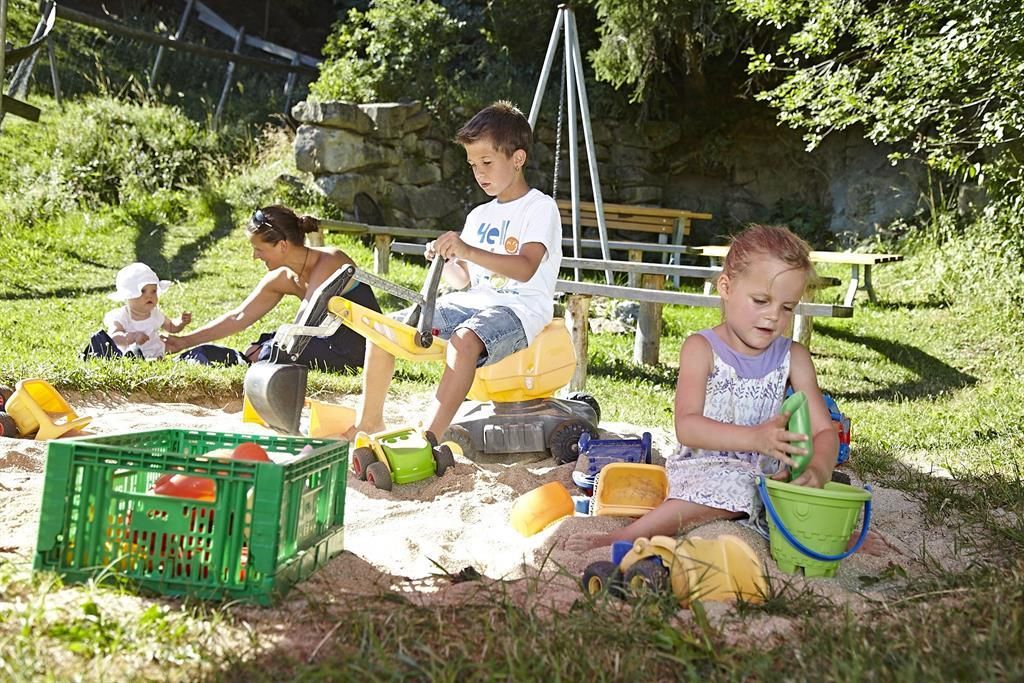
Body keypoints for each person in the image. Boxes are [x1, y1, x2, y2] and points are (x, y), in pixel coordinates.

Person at [567, 225, 840, 551]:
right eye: (761, 300)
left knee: (811, 496)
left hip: (772, 476)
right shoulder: (701, 348)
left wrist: (818, 469)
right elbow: (688, 427)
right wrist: (754, 438)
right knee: (739, 488)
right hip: (707, 468)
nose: (773, 316)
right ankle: (626, 536)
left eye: (787, 307)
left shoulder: (794, 357)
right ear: (726, 287)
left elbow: (826, 432)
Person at [353, 100, 562, 439]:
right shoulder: (478, 215)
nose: (479, 172)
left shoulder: (540, 208)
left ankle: (429, 437)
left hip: (520, 308)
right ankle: (369, 423)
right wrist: (446, 259)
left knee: (464, 340)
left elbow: (525, 269)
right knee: (385, 329)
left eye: (487, 162)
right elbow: (464, 279)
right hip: (475, 302)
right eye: (472, 164)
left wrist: (466, 249)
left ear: (518, 158)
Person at [162, 205, 380, 370]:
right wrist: (184, 341)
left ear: (282, 245)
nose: (255, 256)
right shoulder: (284, 277)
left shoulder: (330, 261)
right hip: (321, 339)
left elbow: (304, 323)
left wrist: (274, 348)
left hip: (357, 350)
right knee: (255, 349)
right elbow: (239, 317)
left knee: (268, 351)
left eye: (259, 249)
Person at [85, 262, 192, 360]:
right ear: (129, 295)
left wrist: (181, 322)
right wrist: (131, 337)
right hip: (131, 354)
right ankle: (147, 360)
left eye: (153, 291)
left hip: (154, 348)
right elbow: (114, 337)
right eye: (142, 291)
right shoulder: (122, 316)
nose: (149, 296)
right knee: (133, 356)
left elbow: (171, 327)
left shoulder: (155, 313)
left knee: (174, 345)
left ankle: (156, 358)